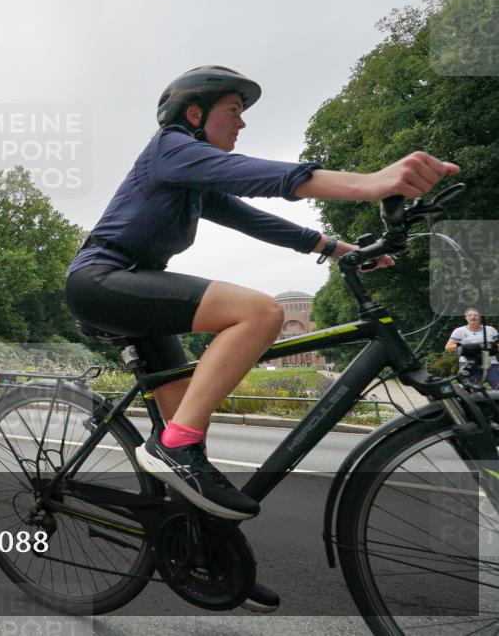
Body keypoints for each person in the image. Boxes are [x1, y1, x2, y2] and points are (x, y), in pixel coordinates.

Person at [64, 66, 459, 611]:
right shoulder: (170, 149)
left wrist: (332, 246)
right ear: (195, 114)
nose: (243, 122)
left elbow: (253, 218)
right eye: (234, 110)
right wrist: (369, 182)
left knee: (189, 454)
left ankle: (209, 554)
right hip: (102, 282)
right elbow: (261, 176)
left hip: (134, 294)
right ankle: (172, 445)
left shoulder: (193, 181)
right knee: (257, 313)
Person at [446, 308, 499, 388]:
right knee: (473, 390)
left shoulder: (490, 330)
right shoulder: (459, 331)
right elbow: (448, 347)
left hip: (490, 363)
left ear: (480, 317)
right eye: (469, 315)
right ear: (466, 317)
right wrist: (466, 347)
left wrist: (490, 347)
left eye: (475, 315)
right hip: (469, 364)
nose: (472, 317)